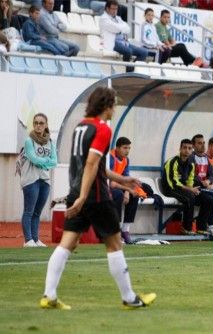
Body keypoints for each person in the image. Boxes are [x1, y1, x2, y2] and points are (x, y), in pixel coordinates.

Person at [40, 87, 156, 310]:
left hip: (78, 191)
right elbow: (91, 165)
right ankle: (129, 298)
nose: (114, 109)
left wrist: (122, 180)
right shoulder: (102, 129)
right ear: (106, 105)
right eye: (113, 104)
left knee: (67, 244)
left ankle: (49, 295)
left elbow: (96, 165)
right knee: (114, 244)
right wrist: (84, 197)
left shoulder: (81, 127)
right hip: (94, 196)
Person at [162, 139, 213, 236]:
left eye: (189, 148)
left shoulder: (191, 164)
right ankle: (186, 228)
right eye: (184, 148)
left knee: (207, 199)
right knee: (189, 198)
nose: (187, 150)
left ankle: (201, 227)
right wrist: (190, 190)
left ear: (192, 150)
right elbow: (174, 183)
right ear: (180, 149)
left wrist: (193, 189)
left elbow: (190, 181)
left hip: (185, 190)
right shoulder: (172, 162)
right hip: (171, 189)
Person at [19, 113, 57, 247]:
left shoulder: (50, 142)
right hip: (31, 179)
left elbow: (55, 161)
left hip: (44, 180)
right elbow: (33, 158)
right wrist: (46, 161)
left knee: (37, 212)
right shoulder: (29, 141)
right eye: (35, 123)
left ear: (46, 125)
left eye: (41, 123)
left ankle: (35, 239)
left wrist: (44, 162)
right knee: (29, 211)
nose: (38, 125)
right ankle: (27, 240)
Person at [109, 137, 148, 245]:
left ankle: (125, 230)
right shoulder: (110, 158)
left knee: (134, 195)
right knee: (117, 195)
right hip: (105, 187)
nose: (127, 151)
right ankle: (115, 231)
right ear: (117, 148)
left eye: (129, 148)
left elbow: (126, 178)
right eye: (125, 148)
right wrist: (127, 190)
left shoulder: (126, 160)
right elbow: (111, 183)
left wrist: (128, 192)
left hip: (118, 186)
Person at [100, 0, 148, 72]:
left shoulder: (118, 18)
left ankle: (132, 69)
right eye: (113, 9)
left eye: (116, 9)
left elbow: (128, 29)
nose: (115, 11)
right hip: (111, 42)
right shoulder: (104, 19)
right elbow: (116, 29)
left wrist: (119, 28)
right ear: (107, 9)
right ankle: (127, 70)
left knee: (144, 52)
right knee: (128, 51)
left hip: (124, 42)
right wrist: (121, 28)